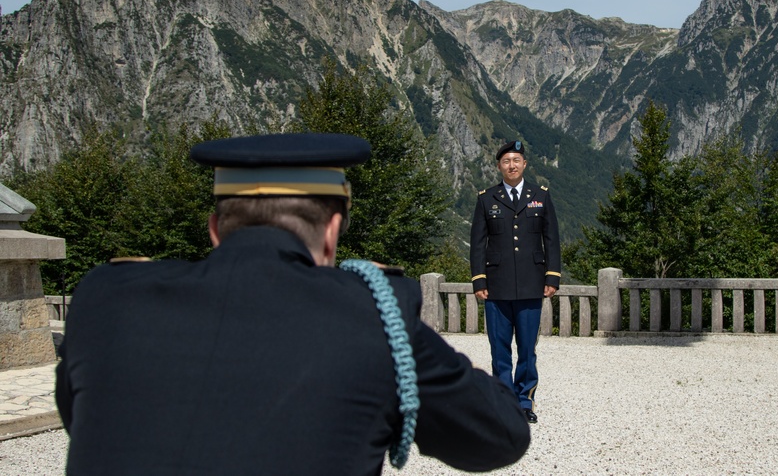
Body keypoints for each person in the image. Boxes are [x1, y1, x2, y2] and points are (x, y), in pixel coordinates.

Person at [55, 132, 530, 475]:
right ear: (331, 231)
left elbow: (79, 415)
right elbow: (501, 437)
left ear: (216, 230)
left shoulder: (105, 299)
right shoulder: (373, 318)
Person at [469, 140, 561, 424]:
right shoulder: (486, 199)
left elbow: (551, 240)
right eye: (506, 161)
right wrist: (478, 280)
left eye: (516, 160)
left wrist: (552, 276)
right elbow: (477, 244)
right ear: (499, 166)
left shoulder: (541, 197)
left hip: (532, 284)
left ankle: (525, 401)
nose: (512, 165)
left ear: (524, 165)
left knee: (526, 349)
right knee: (499, 349)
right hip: (496, 286)